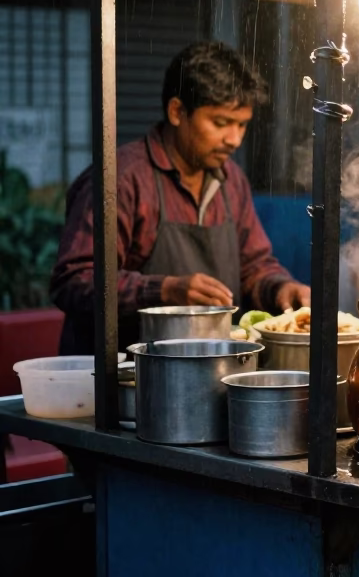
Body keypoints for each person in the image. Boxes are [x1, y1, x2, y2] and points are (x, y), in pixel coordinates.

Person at [52, 41, 309, 353]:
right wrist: (165, 290)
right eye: (220, 122)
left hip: (209, 370)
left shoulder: (231, 181)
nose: (234, 139)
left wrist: (280, 287)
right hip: (121, 381)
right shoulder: (121, 179)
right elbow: (74, 281)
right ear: (177, 111)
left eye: (242, 124)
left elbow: (253, 267)